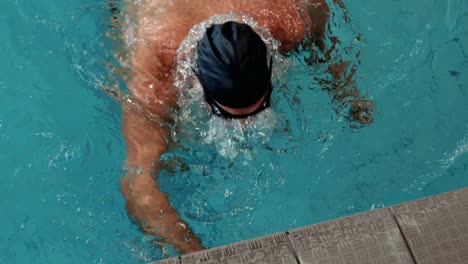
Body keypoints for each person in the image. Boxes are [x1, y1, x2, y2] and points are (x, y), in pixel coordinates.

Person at [114, 0, 373, 254]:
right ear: (197, 82)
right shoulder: (157, 70)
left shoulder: (293, 16)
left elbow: (324, 39)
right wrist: (195, 252)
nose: (246, 124)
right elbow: (139, 186)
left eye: (261, 106)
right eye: (224, 114)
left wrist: (344, 89)